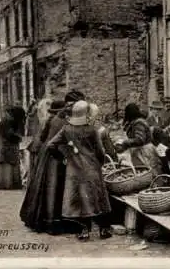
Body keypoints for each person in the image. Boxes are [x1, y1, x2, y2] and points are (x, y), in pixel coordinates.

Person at [47, 101, 113, 241]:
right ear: (86, 114)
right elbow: (100, 151)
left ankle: (84, 231)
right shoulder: (92, 130)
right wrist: (99, 163)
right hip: (92, 168)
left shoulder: (66, 130)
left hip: (74, 170)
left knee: (80, 201)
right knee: (98, 198)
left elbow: (50, 145)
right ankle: (103, 230)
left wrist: (63, 156)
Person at [19, 94, 80, 235]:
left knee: (45, 187)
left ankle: (43, 219)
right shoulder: (63, 121)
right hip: (55, 156)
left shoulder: (51, 119)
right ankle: (54, 223)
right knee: (54, 188)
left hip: (46, 155)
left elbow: (42, 138)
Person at [115, 103, 162, 178]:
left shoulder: (139, 123)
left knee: (149, 173)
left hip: (144, 152)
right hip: (141, 151)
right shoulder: (136, 122)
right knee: (144, 173)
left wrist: (125, 143)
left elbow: (140, 139)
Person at [0, 105, 24, 190]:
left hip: (1, 145)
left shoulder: (5, 120)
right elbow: (9, 134)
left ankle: (1, 183)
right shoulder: (9, 121)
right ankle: (7, 184)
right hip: (7, 146)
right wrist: (18, 137)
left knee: (3, 163)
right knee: (8, 163)